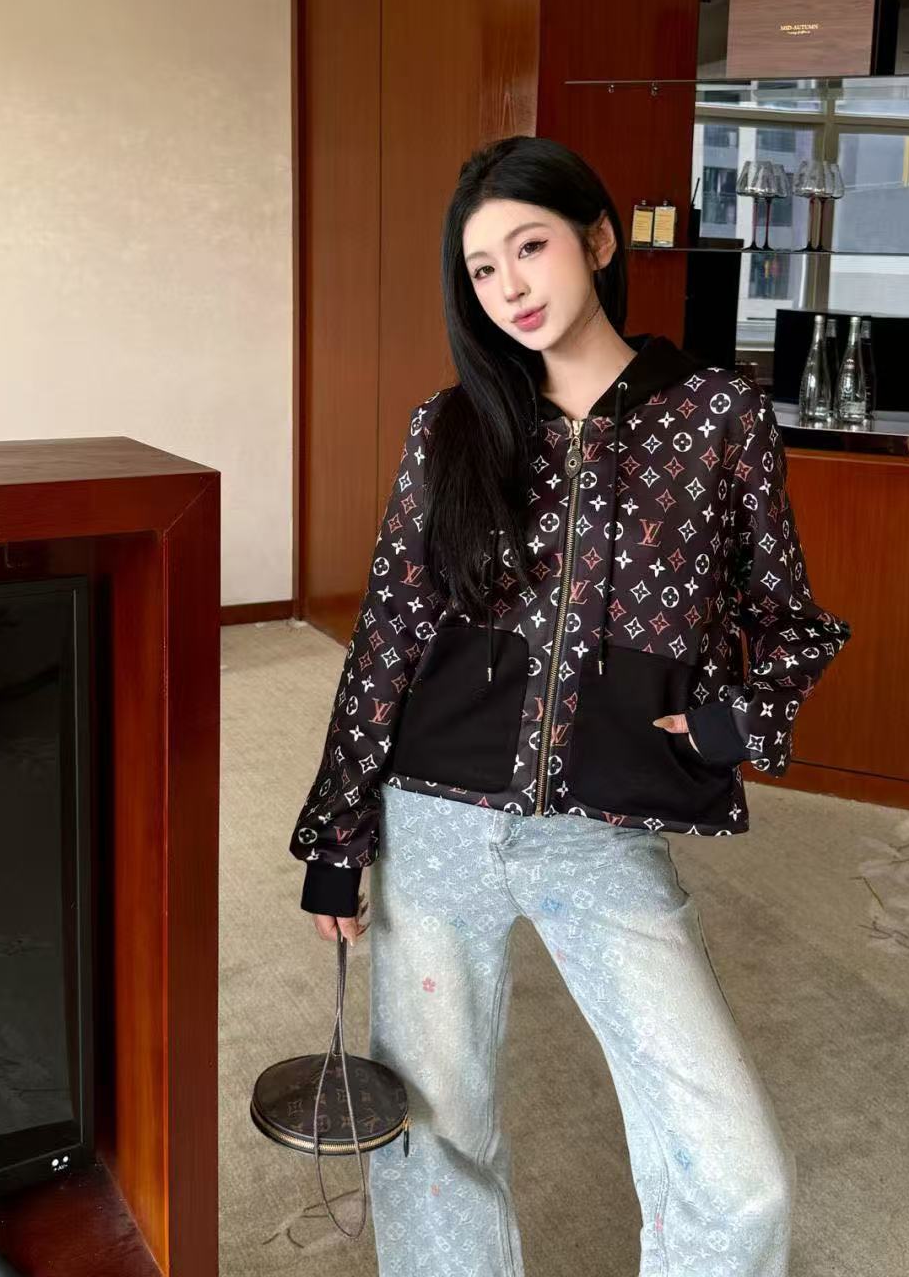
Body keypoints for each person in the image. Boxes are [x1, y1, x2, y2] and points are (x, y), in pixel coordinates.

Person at [289, 134, 853, 1275]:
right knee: (434, 1139)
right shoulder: (451, 427)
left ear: (597, 240)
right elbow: (390, 634)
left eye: (530, 247)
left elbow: (790, 621)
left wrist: (737, 725)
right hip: (434, 820)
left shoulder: (717, 417)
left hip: (603, 833)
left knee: (735, 1175)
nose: (510, 287)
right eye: (482, 269)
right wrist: (336, 839)